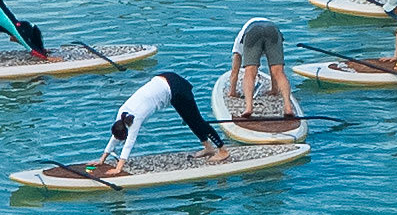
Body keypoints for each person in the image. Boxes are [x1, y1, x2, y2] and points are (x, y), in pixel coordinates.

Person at [94, 72, 229, 176]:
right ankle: (208, 148)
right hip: (165, 82)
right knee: (190, 121)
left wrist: (118, 169)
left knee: (197, 121)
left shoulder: (135, 119)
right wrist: (102, 159)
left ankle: (222, 150)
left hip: (176, 87)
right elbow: (116, 137)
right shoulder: (121, 116)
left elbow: (129, 143)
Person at [228, 18, 294, 118]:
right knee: (278, 71)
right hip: (273, 30)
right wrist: (274, 90)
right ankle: (288, 107)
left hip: (253, 32)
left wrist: (232, 91)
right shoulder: (267, 23)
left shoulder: (239, 39)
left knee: (250, 72)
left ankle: (249, 108)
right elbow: (274, 68)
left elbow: (235, 69)